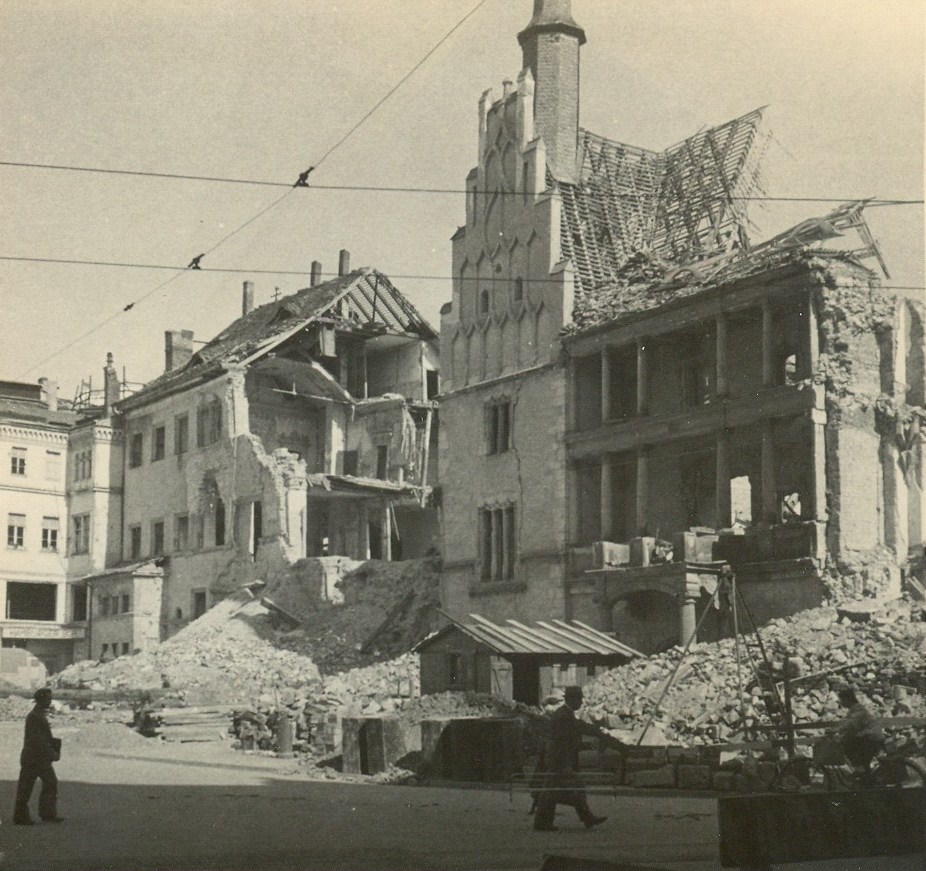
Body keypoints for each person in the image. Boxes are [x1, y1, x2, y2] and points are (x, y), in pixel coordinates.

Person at [532, 686, 611, 832]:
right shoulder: (564, 715)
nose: (581, 702)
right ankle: (587, 817)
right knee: (573, 787)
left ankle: (543, 822)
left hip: (557, 758)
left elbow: (574, 730)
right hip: (559, 759)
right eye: (579, 699)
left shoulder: (565, 713)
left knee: (553, 791)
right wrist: (596, 736)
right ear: (572, 699)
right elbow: (573, 732)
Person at [13, 687, 63, 825]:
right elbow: (38, 741)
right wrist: (52, 754)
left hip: (35, 758)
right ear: (41, 699)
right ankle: (29, 815)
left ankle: (42, 814)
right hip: (35, 758)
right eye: (48, 698)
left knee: (41, 784)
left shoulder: (38, 715)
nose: (50, 700)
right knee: (30, 786)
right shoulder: (35, 716)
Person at [831, 688, 885, 781]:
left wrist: (836, 731)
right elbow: (849, 726)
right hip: (868, 737)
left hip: (873, 738)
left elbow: (851, 724)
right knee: (863, 762)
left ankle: (861, 772)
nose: (841, 702)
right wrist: (840, 735)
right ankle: (865, 781)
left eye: (842, 700)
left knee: (848, 747)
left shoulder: (859, 709)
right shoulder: (853, 710)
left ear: (848, 699)